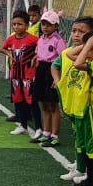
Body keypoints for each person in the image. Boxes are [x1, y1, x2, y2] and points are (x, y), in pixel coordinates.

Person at [54, 26, 93, 186]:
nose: (86, 51)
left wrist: (88, 45)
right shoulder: (91, 60)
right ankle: (89, 178)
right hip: (82, 110)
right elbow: (70, 55)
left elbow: (77, 63)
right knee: (84, 146)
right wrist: (87, 44)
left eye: (91, 48)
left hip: (92, 110)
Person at [0, 9, 41, 139]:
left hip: (28, 76)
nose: (16, 27)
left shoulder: (33, 39)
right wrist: (9, 54)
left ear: (27, 26)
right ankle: (22, 125)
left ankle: (39, 128)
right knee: (18, 101)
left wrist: (36, 56)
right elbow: (4, 47)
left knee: (32, 102)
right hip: (15, 76)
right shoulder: (11, 39)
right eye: (14, 24)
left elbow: (41, 47)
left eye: (20, 24)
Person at [32, 10, 66, 147]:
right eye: (43, 24)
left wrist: (57, 77)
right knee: (44, 103)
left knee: (53, 104)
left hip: (52, 70)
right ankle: (46, 132)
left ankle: (55, 135)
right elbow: (40, 55)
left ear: (56, 26)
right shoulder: (41, 38)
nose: (45, 27)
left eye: (49, 24)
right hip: (41, 70)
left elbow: (63, 59)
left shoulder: (58, 40)